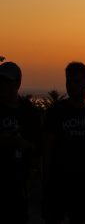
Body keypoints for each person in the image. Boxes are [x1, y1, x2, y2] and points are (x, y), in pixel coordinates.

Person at [42, 62, 85, 224]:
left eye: (77, 81)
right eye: (69, 81)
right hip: (58, 184)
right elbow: (48, 147)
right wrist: (46, 179)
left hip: (84, 186)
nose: (71, 85)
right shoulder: (56, 111)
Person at [0, 62, 41, 224]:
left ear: (17, 83)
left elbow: (39, 146)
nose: (1, 85)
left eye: (6, 81)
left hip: (19, 184)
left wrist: (26, 145)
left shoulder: (30, 112)